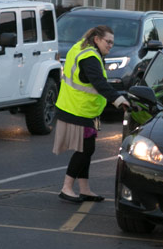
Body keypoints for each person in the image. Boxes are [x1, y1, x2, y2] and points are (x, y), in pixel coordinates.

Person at [53, 25, 129, 203]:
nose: (110, 46)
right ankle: (67, 187)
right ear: (97, 39)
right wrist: (118, 100)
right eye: (108, 42)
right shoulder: (90, 57)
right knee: (84, 149)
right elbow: (99, 83)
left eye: (112, 43)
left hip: (75, 107)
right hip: (77, 109)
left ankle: (85, 189)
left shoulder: (81, 47)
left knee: (86, 149)